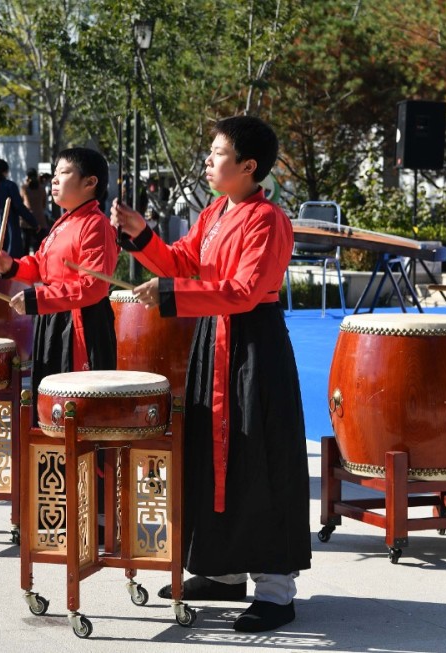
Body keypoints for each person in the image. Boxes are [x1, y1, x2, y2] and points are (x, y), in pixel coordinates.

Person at [110, 116, 310, 633]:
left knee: (256, 457)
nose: (207, 159)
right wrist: (143, 236)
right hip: (213, 343)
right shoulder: (218, 211)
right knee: (211, 455)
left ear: (248, 166)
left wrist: (173, 294)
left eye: (217, 152)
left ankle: (275, 589)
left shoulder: (268, 219)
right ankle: (221, 573)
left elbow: (244, 291)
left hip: (252, 349)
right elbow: (182, 261)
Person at [0, 147, 118, 406]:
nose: (55, 179)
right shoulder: (64, 222)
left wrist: (38, 298)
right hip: (54, 317)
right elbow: (41, 265)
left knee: (78, 404)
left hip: (83, 322)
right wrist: (11, 265)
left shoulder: (96, 224)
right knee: (52, 399)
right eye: (55, 173)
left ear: (90, 182)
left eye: (65, 172)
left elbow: (92, 287)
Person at [0, 158, 37, 258]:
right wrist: (34, 223)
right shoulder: (10, 186)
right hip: (9, 226)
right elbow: (19, 206)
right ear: (5, 172)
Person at [20, 167, 49, 253]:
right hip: (40, 220)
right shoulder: (42, 189)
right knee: (38, 248)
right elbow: (44, 205)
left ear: (27, 177)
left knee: (25, 247)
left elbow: (20, 204)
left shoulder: (24, 188)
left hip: (26, 221)